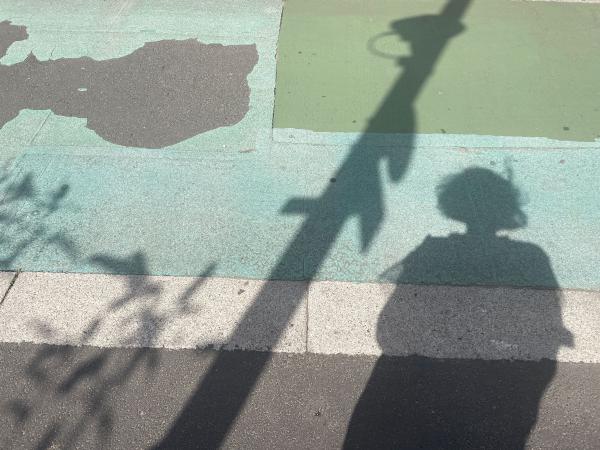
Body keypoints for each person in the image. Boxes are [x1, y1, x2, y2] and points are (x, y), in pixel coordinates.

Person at [345, 167, 573, 449]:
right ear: (508, 208)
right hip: (499, 392)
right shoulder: (531, 257)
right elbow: (546, 328)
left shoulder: (431, 252)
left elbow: (389, 330)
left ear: (453, 204)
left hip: (425, 384)